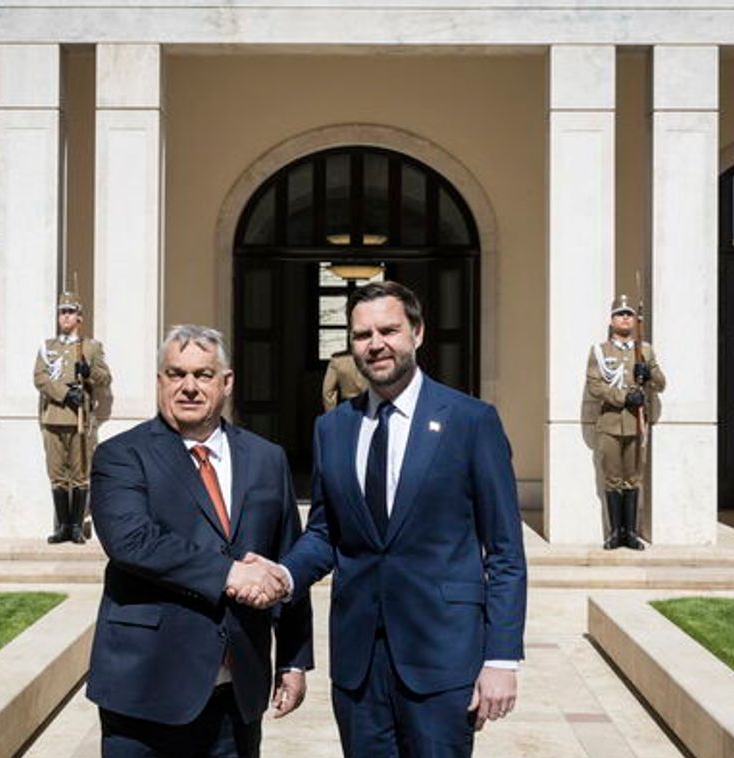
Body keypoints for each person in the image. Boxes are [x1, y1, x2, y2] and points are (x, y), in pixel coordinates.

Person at [257, 281, 527, 757]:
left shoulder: (471, 421)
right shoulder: (332, 428)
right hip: (358, 664)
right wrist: (282, 575)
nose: (375, 344)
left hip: (443, 656)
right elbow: (325, 533)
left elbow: (505, 552)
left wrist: (501, 658)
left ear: (417, 334)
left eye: (388, 330)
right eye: (362, 335)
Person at [86, 325, 313, 758]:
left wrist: (293, 658)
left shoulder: (267, 459)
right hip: (146, 689)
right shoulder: (121, 456)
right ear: (159, 382)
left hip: (237, 692)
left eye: (203, 375)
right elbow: (133, 540)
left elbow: (286, 557)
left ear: (226, 382)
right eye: (175, 374)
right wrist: (230, 572)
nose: (189, 387)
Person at [585, 295, 666, 550]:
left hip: (635, 423)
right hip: (609, 423)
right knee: (612, 478)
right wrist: (622, 396)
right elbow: (594, 385)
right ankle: (614, 533)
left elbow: (661, 384)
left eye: (629, 314)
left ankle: (630, 533)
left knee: (632, 478)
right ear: (612, 320)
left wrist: (649, 373)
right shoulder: (599, 351)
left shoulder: (645, 350)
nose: (625, 318)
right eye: (620, 314)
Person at [34, 291, 112, 544]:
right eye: (61, 312)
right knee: (57, 475)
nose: (65, 316)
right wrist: (65, 394)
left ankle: (77, 527)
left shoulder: (90, 346)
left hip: (80, 420)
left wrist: (88, 373)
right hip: (54, 417)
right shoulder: (48, 347)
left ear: (79, 316)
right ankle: (63, 527)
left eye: (70, 312)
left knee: (79, 475)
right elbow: (40, 377)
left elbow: (105, 378)